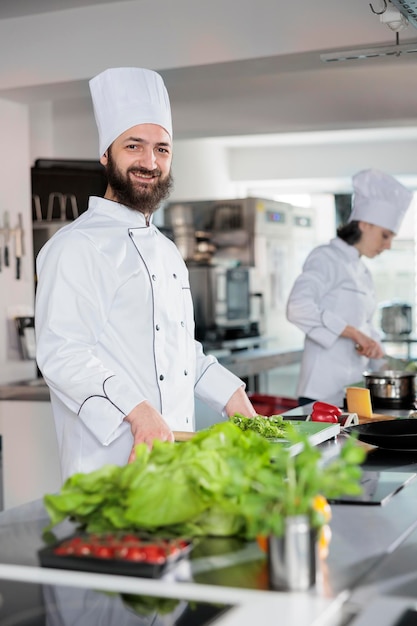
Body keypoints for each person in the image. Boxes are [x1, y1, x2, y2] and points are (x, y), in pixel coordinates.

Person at [35, 67, 256, 481]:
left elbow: (178, 350)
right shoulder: (76, 246)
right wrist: (137, 413)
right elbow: (61, 352)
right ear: (106, 154)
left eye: (162, 149)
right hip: (108, 465)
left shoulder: (168, 250)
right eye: (134, 146)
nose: (149, 162)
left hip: (171, 460)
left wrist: (233, 395)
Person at [286, 168, 413, 406]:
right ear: (365, 224)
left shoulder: (361, 271)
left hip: (352, 391)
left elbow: (366, 327)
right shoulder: (325, 257)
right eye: (385, 235)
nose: (387, 245)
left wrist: (386, 364)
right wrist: (353, 333)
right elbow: (298, 307)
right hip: (321, 393)